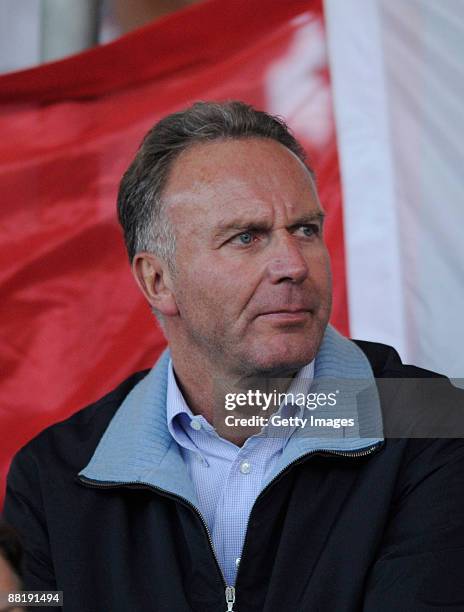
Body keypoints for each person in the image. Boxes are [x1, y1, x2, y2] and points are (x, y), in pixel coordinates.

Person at [3, 101, 464, 612]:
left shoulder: (435, 424)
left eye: (306, 230)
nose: (293, 264)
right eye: (246, 237)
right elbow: (38, 602)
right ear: (157, 281)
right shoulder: (54, 476)